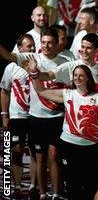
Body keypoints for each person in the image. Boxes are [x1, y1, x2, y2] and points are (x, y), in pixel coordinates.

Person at [27, 60, 98, 200]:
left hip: (91, 147)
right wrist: (34, 73)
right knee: (73, 184)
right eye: (75, 75)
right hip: (69, 145)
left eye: (81, 75)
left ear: (88, 78)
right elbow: (41, 90)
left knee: (92, 183)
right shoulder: (67, 94)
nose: (77, 78)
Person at [1, 34, 37, 198]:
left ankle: (32, 186)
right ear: (20, 48)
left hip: (37, 115)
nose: (31, 49)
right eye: (27, 46)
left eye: (33, 46)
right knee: (15, 150)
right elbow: (4, 91)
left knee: (36, 153)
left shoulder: (39, 64)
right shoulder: (11, 68)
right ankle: (15, 186)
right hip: (17, 116)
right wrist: (5, 115)